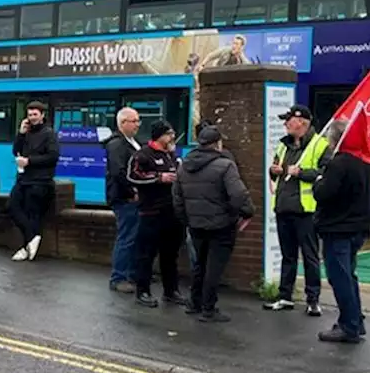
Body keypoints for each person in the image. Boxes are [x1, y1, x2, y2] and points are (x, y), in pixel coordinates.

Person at [172, 125, 254, 322]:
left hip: (196, 224)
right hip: (221, 225)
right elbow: (238, 194)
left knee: (199, 264)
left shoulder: (184, 166)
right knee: (214, 268)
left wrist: (187, 220)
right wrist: (247, 212)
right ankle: (209, 309)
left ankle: (194, 302)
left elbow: (177, 198)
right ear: (218, 143)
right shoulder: (225, 165)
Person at [266, 104, 331, 316]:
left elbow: (327, 174)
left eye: (289, 120)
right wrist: (273, 171)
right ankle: (285, 296)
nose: (285, 124)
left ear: (301, 122)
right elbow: (276, 169)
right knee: (288, 255)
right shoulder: (283, 146)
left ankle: (313, 300)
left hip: (306, 210)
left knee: (310, 256)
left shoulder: (320, 145)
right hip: (284, 207)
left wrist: (301, 172)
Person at [314, 119, 370, 344]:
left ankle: (349, 326)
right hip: (357, 227)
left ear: (334, 139)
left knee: (339, 277)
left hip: (337, 228)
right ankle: (356, 320)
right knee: (350, 275)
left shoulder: (338, 164)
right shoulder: (364, 163)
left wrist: (319, 180)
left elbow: (324, 193)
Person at [128, 119, 187, 309]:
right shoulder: (143, 155)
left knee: (170, 254)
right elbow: (132, 176)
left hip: (173, 213)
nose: (172, 137)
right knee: (146, 254)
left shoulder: (171, 155)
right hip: (151, 212)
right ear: (160, 135)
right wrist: (158, 177)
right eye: (169, 134)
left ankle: (171, 291)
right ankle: (142, 291)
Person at [9, 101, 59, 262]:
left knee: (33, 214)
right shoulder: (26, 132)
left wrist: (29, 161)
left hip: (40, 181)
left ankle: (26, 248)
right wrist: (21, 133)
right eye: (29, 115)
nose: (32, 118)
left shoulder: (49, 134)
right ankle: (33, 237)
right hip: (23, 179)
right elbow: (15, 150)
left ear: (42, 115)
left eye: (35, 114)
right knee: (12, 206)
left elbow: (53, 157)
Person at [104, 107, 142, 293]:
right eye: (133, 121)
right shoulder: (117, 145)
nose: (137, 124)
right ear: (122, 123)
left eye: (138, 120)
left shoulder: (133, 142)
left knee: (135, 237)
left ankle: (132, 274)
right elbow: (118, 172)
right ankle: (118, 277)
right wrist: (132, 190)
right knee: (126, 237)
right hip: (124, 198)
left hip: (134, 198)